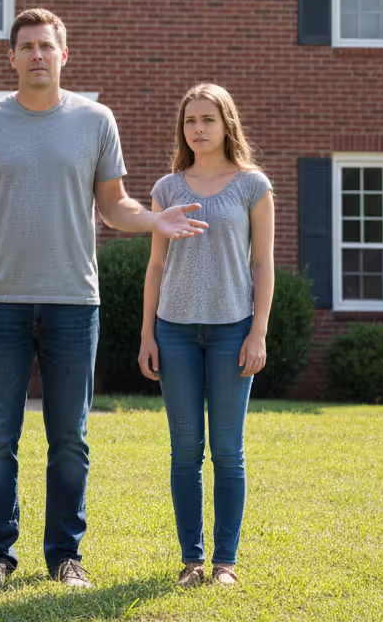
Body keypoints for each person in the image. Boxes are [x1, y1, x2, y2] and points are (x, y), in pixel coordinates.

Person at [0, 8, 207, 589]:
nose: (36, 55)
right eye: (26, 47)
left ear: (63, 55)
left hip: (73, 301)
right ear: (12, 57)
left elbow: (114, 204)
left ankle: (65, 557)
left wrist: (155, 218)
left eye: (46, 46)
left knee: (70, 436)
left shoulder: (95, 120)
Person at [137, 82, 274, 588]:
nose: (198, 129)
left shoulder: (252, 186)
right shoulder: (168, 188)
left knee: (227, 449)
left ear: (226, 124)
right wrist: (147, 334)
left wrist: (258, 331)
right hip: (174, 331)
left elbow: (262, 262)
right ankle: (192, 561)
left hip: (232, 329)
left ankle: (225, 564)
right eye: (190, 121)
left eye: (208, 120)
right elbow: (155, 266)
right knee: (184, 449)